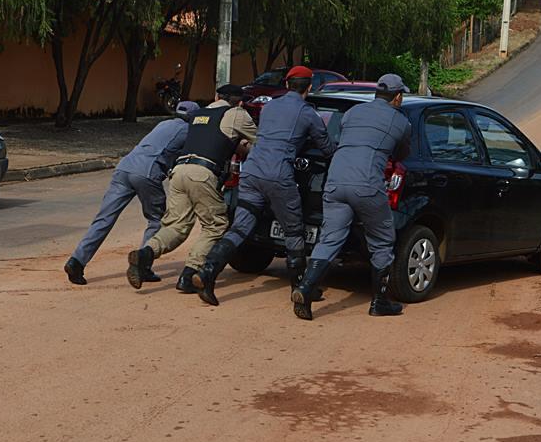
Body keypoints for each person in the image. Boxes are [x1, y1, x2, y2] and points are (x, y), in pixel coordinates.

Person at [192, 65, 337, 306]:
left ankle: (207, 272)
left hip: (252, 172)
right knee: (293, 231)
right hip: (278, 175)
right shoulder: (307, 113)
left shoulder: (269, 106)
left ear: (287, 85)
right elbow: (327, 148)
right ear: (309, 87)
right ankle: (301, 288)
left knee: (240, 228)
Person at [291, 73, 412, 320]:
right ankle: (379, 301)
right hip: (366, 183)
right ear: (398, 97)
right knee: (382, 239)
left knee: (330, 239)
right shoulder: (400, 121)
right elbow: (401, 154)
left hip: (335, 180)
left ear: (377, 93)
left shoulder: (352, 113)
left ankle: (305, 287)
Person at [126, 84, 257, 293]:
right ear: (239, 102)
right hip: (203, 173)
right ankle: (189, 275)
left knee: (176, 226)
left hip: (179, 171)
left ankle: (145, 254)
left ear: (216, 96)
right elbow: (261, 141)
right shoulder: (236, 113)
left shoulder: (199, 114)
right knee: (216, 225)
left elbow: (214, 137)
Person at [64, 99, 199, 286]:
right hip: (147, 172)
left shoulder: (163, 124)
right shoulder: (189, 131)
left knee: (104, 219)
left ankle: (77, 261)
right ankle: (143, 265)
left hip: (124, 168)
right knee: (156, 220)